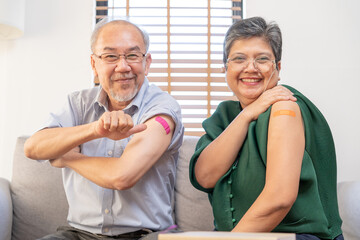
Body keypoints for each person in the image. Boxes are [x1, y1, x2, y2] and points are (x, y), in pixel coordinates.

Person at [24, 17, 184, 240]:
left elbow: (122, 176)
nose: (123, 66)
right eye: (110, 56)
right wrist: (95, 130)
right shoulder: (77, 103)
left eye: (132, 55)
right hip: (78, 234)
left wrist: (68, 158)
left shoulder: (163, 108)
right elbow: (33, 148)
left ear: (147, 63)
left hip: (146, 235)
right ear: (94, 65)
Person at [189, 17, 343, 240]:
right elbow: (205, 177)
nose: (250, 68)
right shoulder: (225, 116)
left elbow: (279, 199)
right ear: (225, 67)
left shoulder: (284, 106)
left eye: (262, 59)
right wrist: (247, 114)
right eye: (239, 59)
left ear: (277, 68)